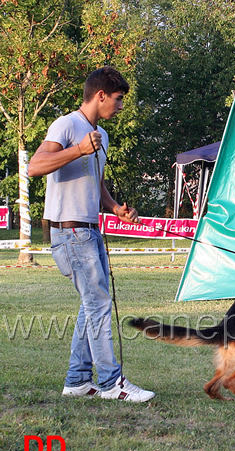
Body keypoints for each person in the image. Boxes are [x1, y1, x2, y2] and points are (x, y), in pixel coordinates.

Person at [29, 66, 155, 402]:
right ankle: (112, 383)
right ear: (100, 95)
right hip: (68, 233)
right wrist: (78, 149)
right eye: (118, 99)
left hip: (90, 230)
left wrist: (115, 208)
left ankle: (77, 381)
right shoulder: (67, 125)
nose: (120, 107)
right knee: (98, 303)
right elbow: (34, 166)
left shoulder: (102, 135)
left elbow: (94, 180)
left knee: (92, 304)